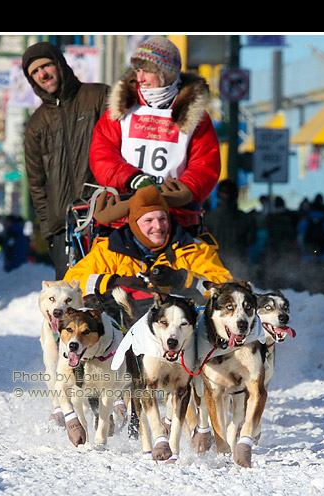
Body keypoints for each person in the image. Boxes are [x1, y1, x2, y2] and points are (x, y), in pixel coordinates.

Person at [89, 36, 220, 236]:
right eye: (138, 71)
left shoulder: (196, 117)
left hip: (175, 219)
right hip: (124, 215)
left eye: (147, 71)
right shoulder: (121, 110)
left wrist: (180, 191)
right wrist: (132, 179)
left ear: (166, 73)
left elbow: (205, 164)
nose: (140, 78)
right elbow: (102, 154)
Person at [63, 184, 233, 323]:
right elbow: (68, 285)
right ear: (135, 224)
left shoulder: (194, 249)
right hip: (122, 332)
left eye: (163, 219)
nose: (158, 227)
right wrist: (113, 281)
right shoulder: (110, 250)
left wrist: (184, 279)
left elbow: (228, 291)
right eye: (149, 221)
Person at [21, 41, 111, 279]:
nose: (43, 74)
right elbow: (36, 182)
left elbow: (120, 148)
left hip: (106, 217)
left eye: (46, 65)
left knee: (112, 290)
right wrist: (50, 230)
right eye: (35, 72)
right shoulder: (36, 125)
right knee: (72, 302)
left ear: (60, 65)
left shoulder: (99, 96)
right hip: (64, 229)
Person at [203, 179, 256, 280]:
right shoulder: (247, 218)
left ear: (218, 195)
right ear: (236, 195)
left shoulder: (208, 218)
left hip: (215, 265)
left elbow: (203, 243)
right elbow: (251, 240)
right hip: (239, 265)